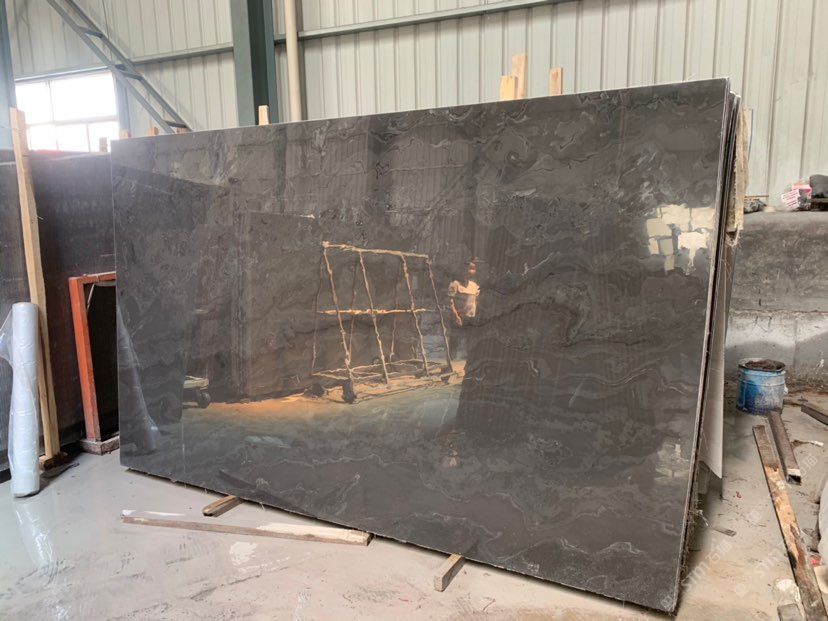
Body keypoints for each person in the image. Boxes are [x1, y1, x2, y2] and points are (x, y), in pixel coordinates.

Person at [447, 260, 480, 361]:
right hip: (458, 318)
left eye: (473, 269)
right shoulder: (455, 284)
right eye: (468, 268)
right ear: (462, 270)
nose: (470, 271)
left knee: (471, 342)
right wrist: (456, 316)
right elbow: (449, 302)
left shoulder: (475, 285)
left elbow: (476, 301)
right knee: (454, 342)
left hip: (471, 318)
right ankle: (450, 364)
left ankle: (470, 364)